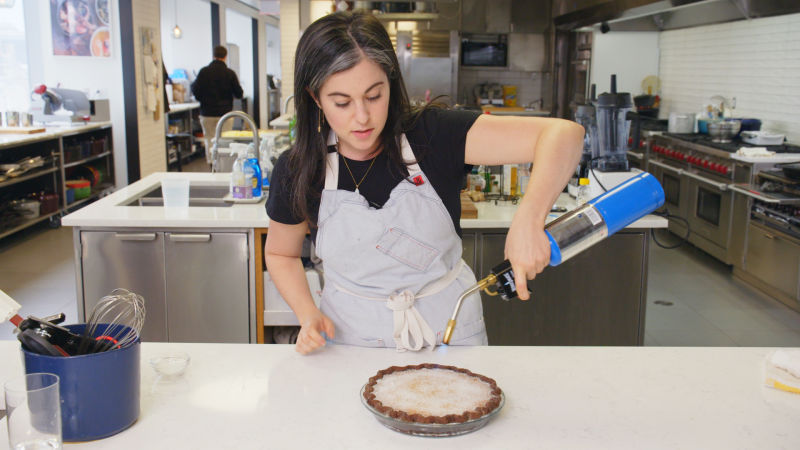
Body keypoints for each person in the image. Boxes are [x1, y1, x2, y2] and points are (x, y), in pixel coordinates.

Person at [265, 11, 583, 355]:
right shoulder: (300, 168)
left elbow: (563, 134)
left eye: (374, 96)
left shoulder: (433, 135)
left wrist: (529, 220)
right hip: (347, 340)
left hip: (448, 332)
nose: (361, 117)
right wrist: (307, 312)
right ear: (315, 97)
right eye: (341, 102)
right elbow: (281, 253)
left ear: (390, 80)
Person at [191, 45, 244, 164]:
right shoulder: (229, 73)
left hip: (207, 113)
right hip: (225, 114)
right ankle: (224, 164)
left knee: (209, 139)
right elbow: (239, 93)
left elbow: (194, 89)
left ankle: (212, 164)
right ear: (225, 56)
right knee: (224, 140)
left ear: (213, 55)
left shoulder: (204, 72)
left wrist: (202, 99)